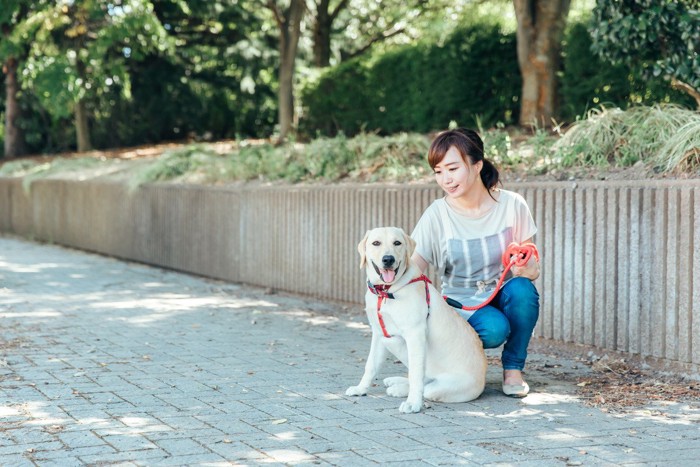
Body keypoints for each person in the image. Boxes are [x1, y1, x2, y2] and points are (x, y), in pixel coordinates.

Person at [410, 128, 540, 397]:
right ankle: (450, 366)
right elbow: (413, 269)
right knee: (495, 330)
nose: (445, 179)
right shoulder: (437, 214)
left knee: (523, 291)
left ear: (477, 164)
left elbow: (533, 268)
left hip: (500, 293)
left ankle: (513, 369)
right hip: (460, 304)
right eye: (438, 171)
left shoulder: (513, 205)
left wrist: (523, 268)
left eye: (453, 168)